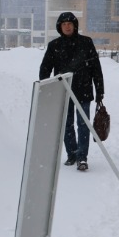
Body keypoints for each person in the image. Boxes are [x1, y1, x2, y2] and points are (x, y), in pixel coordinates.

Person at [38, 11, 105, 172]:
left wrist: (100, 90)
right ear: (60, 27)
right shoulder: (54, 46)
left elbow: (96, 68)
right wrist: (46, 88)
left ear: (75, 26)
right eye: (64, 24)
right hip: (63, 91)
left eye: (70, 24)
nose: (67, 26)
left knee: (83, 125)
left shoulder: (86, 42)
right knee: (66, 125)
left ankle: (82, 157)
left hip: (84, 90)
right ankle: (72, 154)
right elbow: (45, 68)